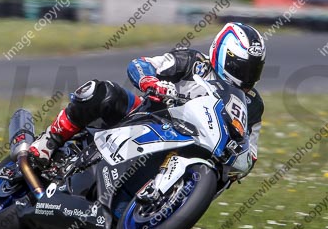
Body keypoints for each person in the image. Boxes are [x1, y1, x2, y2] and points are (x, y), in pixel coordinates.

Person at [29, 22, 265, 178]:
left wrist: (241, 161)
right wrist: (152, 82)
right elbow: (143, 64)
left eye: (253, 70)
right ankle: (50, 141)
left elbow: (251, 152)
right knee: (101, 92)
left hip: (194, 149)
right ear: (222, 53)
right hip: (146, 117)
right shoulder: (194, 61)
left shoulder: (253, 104)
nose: (246, 76)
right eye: (241, 67)